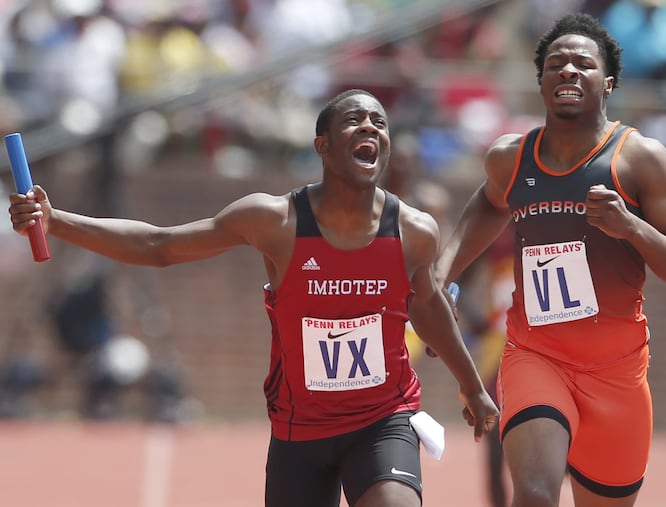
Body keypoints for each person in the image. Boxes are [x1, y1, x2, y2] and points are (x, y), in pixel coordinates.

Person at [7, 88, 499, 507]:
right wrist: (58, 221)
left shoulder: (414, 231)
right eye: (354, 119)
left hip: (381, 418)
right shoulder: (275, 220)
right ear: (322, 147)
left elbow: (429, 306)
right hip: (298, 431)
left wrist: (473, 387)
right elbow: (160, 245)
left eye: (379, 121)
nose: (370, 126)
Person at [436, 13, 666, 507]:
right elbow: (488, 202)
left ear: (607, 84)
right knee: (537, 493)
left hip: (618, 371)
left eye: (582, 64)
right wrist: (440, 278)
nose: (567, 71)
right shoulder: (511, 158)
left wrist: (631, 226)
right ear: (540, 82)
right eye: (555, 64)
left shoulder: (640, 159)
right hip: (534, 355)